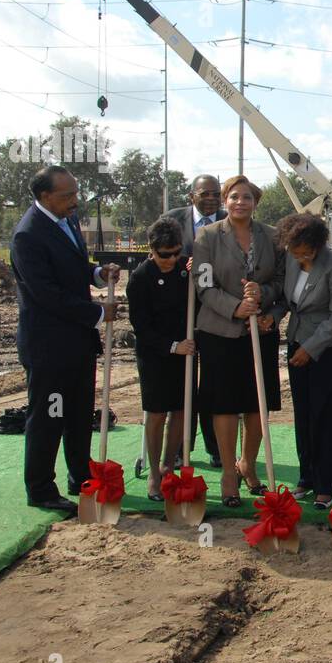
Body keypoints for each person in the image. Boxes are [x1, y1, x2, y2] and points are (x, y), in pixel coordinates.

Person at [10, 164, 119, 512]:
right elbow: (47, 293)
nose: (75, 201)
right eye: (67, 195)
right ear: (45, 197)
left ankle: (79, 475)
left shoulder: (66, 221)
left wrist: (98, 274)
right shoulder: (28, 235)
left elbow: (74, 268)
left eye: (75, 193)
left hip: (77, 344)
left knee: (77, 413)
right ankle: (41, 488)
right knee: (49, 416)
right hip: (49, 348)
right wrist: (99, 313)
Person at [192, 175, 282, 507]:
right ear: (225, 201)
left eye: (247, 197)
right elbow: (203, 285)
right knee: (226, 404)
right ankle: (229, 473)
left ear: (255, 202)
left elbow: (281, 280)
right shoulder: (207, 236)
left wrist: (263, 297)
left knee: (256, 403)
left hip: (260, 330)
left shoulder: (272, 236)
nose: (240, 202)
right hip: (220, 332)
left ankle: (249, 464)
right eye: (234, 197)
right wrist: (236, 308)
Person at [271, 212, 332, 510]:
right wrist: (273, 318)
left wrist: (311, 348)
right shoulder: (291, 260)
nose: (296, 255)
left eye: (301, 250)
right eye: (292, 249)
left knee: (325, 418)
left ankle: (326, 485)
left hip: (327, 349)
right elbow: (286, 301)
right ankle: (306, 478)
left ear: (315, 246)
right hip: (296, 344)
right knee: (303, 416)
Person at [126, 217, 194, 500]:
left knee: (180, 411)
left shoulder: (185, 269)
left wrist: (195, 274)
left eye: (176, 252)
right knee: (157, 414)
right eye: (165, 254)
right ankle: (154, 471)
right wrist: (172, 346)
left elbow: (199, 301)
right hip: (156, 355)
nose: (172, 259)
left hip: (185, 352)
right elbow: (141, 328)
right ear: (152, 250)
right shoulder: (140, 279)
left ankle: (169, 466)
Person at [164, 173, 225, 467]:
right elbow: (159, 257)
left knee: (213, 385)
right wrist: (181, 265)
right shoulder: (172, 220)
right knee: (182, 384)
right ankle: (178, 448)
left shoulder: (229, 220)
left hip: (215, 313)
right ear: (192, 196)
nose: (212, 199)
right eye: (206, 194)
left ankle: (217, 449)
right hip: (181, 313)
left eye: (216, 193)